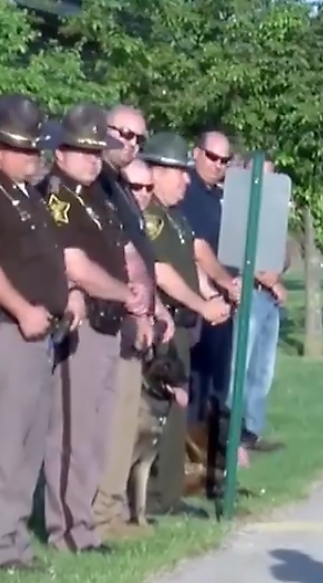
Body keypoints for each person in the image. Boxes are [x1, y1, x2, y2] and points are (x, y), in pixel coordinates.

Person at [43, 102, 150, 552]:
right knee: (72, 433)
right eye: (82, 150)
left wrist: (140, 290)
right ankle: (66, 528)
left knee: (96, 433)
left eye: (95, 150)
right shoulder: (58, 198)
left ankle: (83, 524)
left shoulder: (99, 197)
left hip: (110, 326)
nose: (92, 158)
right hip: (82, 323)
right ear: (60, 153)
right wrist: (127, 294)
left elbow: (127, 251)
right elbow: (76, 266)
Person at [0, 94, 69, 569]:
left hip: (41, 330)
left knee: (29, 443)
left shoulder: (24, 192)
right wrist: (21, 308)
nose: (35, 158)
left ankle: (14, 540)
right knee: (4, 444)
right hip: (12, 328)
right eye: (26, 149)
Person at [138, 133, 232, 513]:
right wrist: (200, 304)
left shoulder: (175, 217)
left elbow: (192, 263)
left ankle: (171, 493)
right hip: (166, 322)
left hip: (184, 324)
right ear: (157, 172)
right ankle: (160, 496)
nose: (186, 180)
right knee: (163, 412)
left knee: (178, 409)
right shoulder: (153, 218)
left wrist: (213, 294)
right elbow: (160, 272)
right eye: (177, 172)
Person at [91, 104, 171, 534]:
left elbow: (137, 254)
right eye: (125, 134)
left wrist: (154, 307)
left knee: (123, 421)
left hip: (132, 314)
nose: (132, 144)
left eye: (140, 138)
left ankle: (114, 509)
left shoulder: (117, 185)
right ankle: (102, 512)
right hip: (109, 315)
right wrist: (138, 305)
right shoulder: (97, 184)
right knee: (111, 423)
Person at [180, 130, 244, 492]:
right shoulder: (188, 192)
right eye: (212, 156)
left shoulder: (218, 197)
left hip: (224, 303)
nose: (217, 165)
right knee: (195, 385)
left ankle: (213, 468)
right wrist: (224, 282)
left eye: (224, 160)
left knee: (215, 387)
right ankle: (192, 471)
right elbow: (197, 247)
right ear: (196, 152)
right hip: (202, 302)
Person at [232, 155, 287, 453]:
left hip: (269, 299)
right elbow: (237, 253)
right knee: (240, 366)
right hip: (250, 293)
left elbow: (283, 251)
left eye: (270, 175)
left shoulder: (272, 211)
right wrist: (269, 280)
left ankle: (252, 431)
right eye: (259, 177)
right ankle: (233, 433)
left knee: (262, 370)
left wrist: (279, 271)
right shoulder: (238, 210)